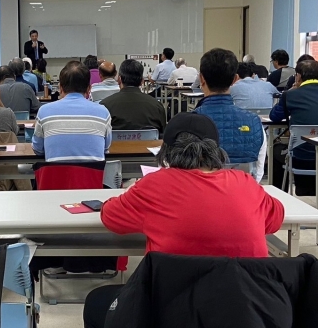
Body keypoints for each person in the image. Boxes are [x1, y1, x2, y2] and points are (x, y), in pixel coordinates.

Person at [82, 112, 285, 328]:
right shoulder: (245, 182)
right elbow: (275, 219)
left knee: (96, 301)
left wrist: (133, 193)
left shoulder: (154, 185)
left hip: (172, 311)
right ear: (216, 150)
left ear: (166, 151)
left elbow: (110, 217)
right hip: (245, 310)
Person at [270, 59, 318, 196]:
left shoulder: (290, 95)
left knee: (275, 150)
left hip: (301, 156)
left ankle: (279, 196)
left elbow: (274, 116)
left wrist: (289, 91)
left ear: (298, 76)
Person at [193, 48, 265, 171]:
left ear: (201, 79)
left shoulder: (189, 123)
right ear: (235, 79)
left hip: (201, 183)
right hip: (243, 182)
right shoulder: (254, 122)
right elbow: (258, 170)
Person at [33, 61, 112, 161]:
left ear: (60, 88)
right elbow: (106, 147)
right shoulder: (103, 112)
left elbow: (38, 149)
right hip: (92, 172)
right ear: (89, 89)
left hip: (55, 171)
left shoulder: (44, 111)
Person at [100, 59, 166, 133]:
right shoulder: (157, 106)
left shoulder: (105, 106)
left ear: (119, 79)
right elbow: (163, 134)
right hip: (149, 140)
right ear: (142, 81)